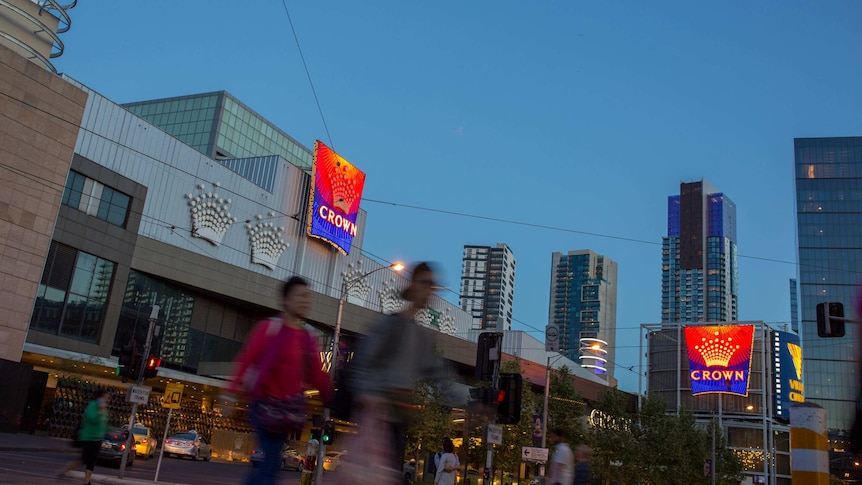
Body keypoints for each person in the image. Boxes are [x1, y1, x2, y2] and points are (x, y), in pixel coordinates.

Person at [227, 276, 334, 485]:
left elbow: (316, 374)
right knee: (270, 464)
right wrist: (229, 392)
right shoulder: (269, 328)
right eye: (300, 296)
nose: (305, 300)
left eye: (308, 296)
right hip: (264, 406)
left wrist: (330, 398)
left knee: (271, 463)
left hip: (287, 411)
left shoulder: (308, 337)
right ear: (286, 300)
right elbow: (246, 359)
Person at [349, 262, 451, 477]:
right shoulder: (391, 325)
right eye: (425, 283)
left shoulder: (421, 336)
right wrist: (369, 394)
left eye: (433, 286)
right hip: (378, 419)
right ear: (412, 285)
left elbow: (441, 377)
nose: (429, 290)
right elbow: (363, 363)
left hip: (398, 422)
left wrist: (477, 401)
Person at [58, 389, 109, 485]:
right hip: (88, 437)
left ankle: (86, 482)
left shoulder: (105, 409)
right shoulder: (92, 406)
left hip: (97, 439)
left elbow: (104, 424)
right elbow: (93, 419)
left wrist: (106, 432)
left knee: (92, 462)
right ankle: (65, 470)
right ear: (100, 398)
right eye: (105, 398)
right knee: (83, 459)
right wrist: (100, 410)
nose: (107, 400)